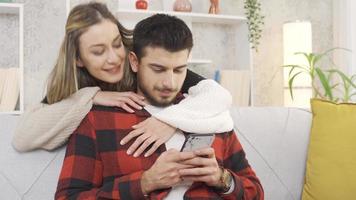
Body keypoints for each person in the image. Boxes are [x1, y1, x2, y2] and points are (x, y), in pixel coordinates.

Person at [55, 13, 263, 199]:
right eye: (158, 69)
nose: (170, 83)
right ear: (134, 62)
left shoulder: (208, 113)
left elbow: (256, 192)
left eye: (179, 70)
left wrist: (221, 178)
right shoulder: (99, 120)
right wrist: (144, 183)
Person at [12, 2, 233, 158]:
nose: (114, 58)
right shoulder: (74, 82)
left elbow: (217, 95)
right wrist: (92, 96)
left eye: (117, 44)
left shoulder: (144, 64)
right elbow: (22, 137)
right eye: (98, 52)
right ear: (78, 58)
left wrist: (170, 120)